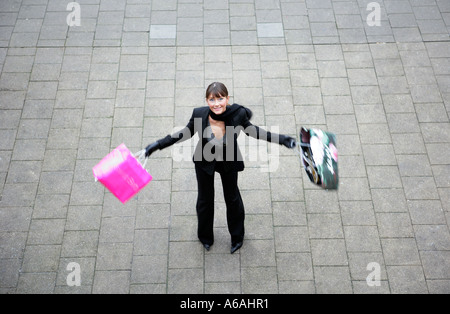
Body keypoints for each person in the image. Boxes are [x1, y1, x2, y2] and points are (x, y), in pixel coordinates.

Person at [145, 82, 296, 254]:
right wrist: (156, 145)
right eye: (212, 99)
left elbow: (256, 132)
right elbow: (182, 134)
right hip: (204, 160)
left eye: (220, 98)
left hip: (228, 161)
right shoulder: (199, 114)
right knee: (204, 200)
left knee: (232, 199)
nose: (216, 103)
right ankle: (205, 237)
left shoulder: (238, 115)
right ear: (206, 101)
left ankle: (237, 237)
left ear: (227, 98)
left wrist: (283, 140)